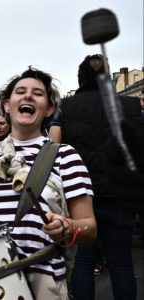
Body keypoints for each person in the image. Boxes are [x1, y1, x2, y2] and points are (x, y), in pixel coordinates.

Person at [0, 68, 96, 299]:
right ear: (7, 105)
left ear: (49, 109)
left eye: (38, 93)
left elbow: (90, 228)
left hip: (41, 279)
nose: (28, 96)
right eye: (21, 91)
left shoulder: (64, 156)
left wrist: (67, 227)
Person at [58, 55, 142, 300]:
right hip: (120, 193)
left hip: (81, 195)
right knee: (122, 263)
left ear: (80, 78)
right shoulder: (130, 105)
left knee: (83, 261)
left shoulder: (68, 107)